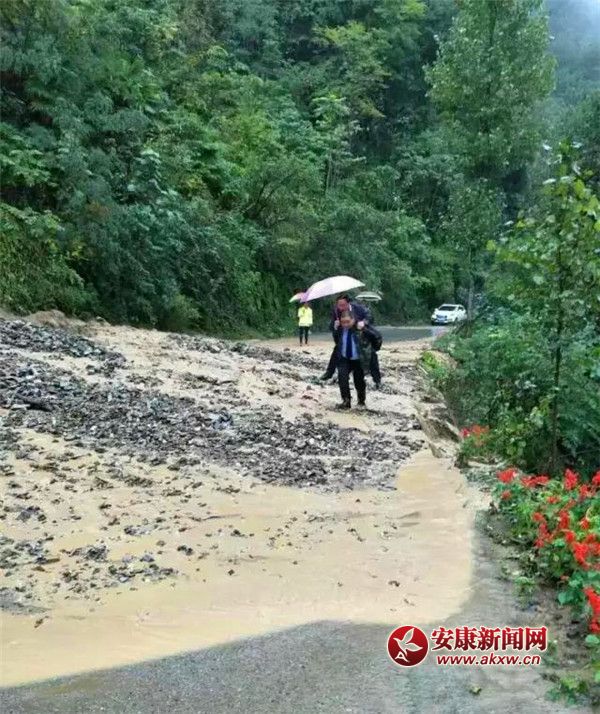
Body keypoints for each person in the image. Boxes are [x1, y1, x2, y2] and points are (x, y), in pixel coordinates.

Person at [320, 295, 382, 387]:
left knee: (372, 355)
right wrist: (334, 326)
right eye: (339, 305)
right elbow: (332, 327)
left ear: (348, 303)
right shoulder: (336, 311)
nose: (341, 307)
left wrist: (363, 322)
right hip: (344, 337)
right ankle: (329, 373)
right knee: (337, 352)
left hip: (360, 335)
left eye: (343, 305)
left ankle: (377, 380)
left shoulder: (358, 308)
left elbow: (370, 317)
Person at [334, 310, 381, 409]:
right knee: (342, 378)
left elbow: (377, 337)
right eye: (343, 322)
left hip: (359, 359)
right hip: (345, 358)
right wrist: (335, 329)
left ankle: (361, 400)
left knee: (359, 380)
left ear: (353, 320)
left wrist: (364, 329)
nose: (345, 324)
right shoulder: (340, 328)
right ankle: (346, 400)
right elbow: (337, 341)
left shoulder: (361, 326)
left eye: (348, 322)